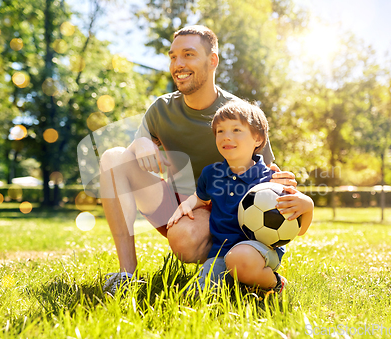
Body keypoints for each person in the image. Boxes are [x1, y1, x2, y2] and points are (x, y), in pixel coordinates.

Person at [99, 25, 297, 293]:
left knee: (184, 240)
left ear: (212, 60)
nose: (178, 64)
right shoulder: (160, 109)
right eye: (172, 56)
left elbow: (267, 176)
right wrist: (141, 142)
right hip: (173, 206)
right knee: (113, 158)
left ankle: (229, 265)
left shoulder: (238, 115)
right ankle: (126, 275)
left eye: (188, 54)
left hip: (217, 212)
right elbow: (133, 156)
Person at [167, 100, 314, 296]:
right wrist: (187, 205)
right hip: (221, 253)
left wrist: (308, 206)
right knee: (197, 295)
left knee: (241, 260)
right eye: (220, 131)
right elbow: (201, 198)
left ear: (258, 139)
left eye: (236, 130)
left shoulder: (272, 181)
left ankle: (275, 283)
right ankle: (243, 282)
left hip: (258, 254)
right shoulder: (211, 174)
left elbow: (300, 229)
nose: (226, 136)